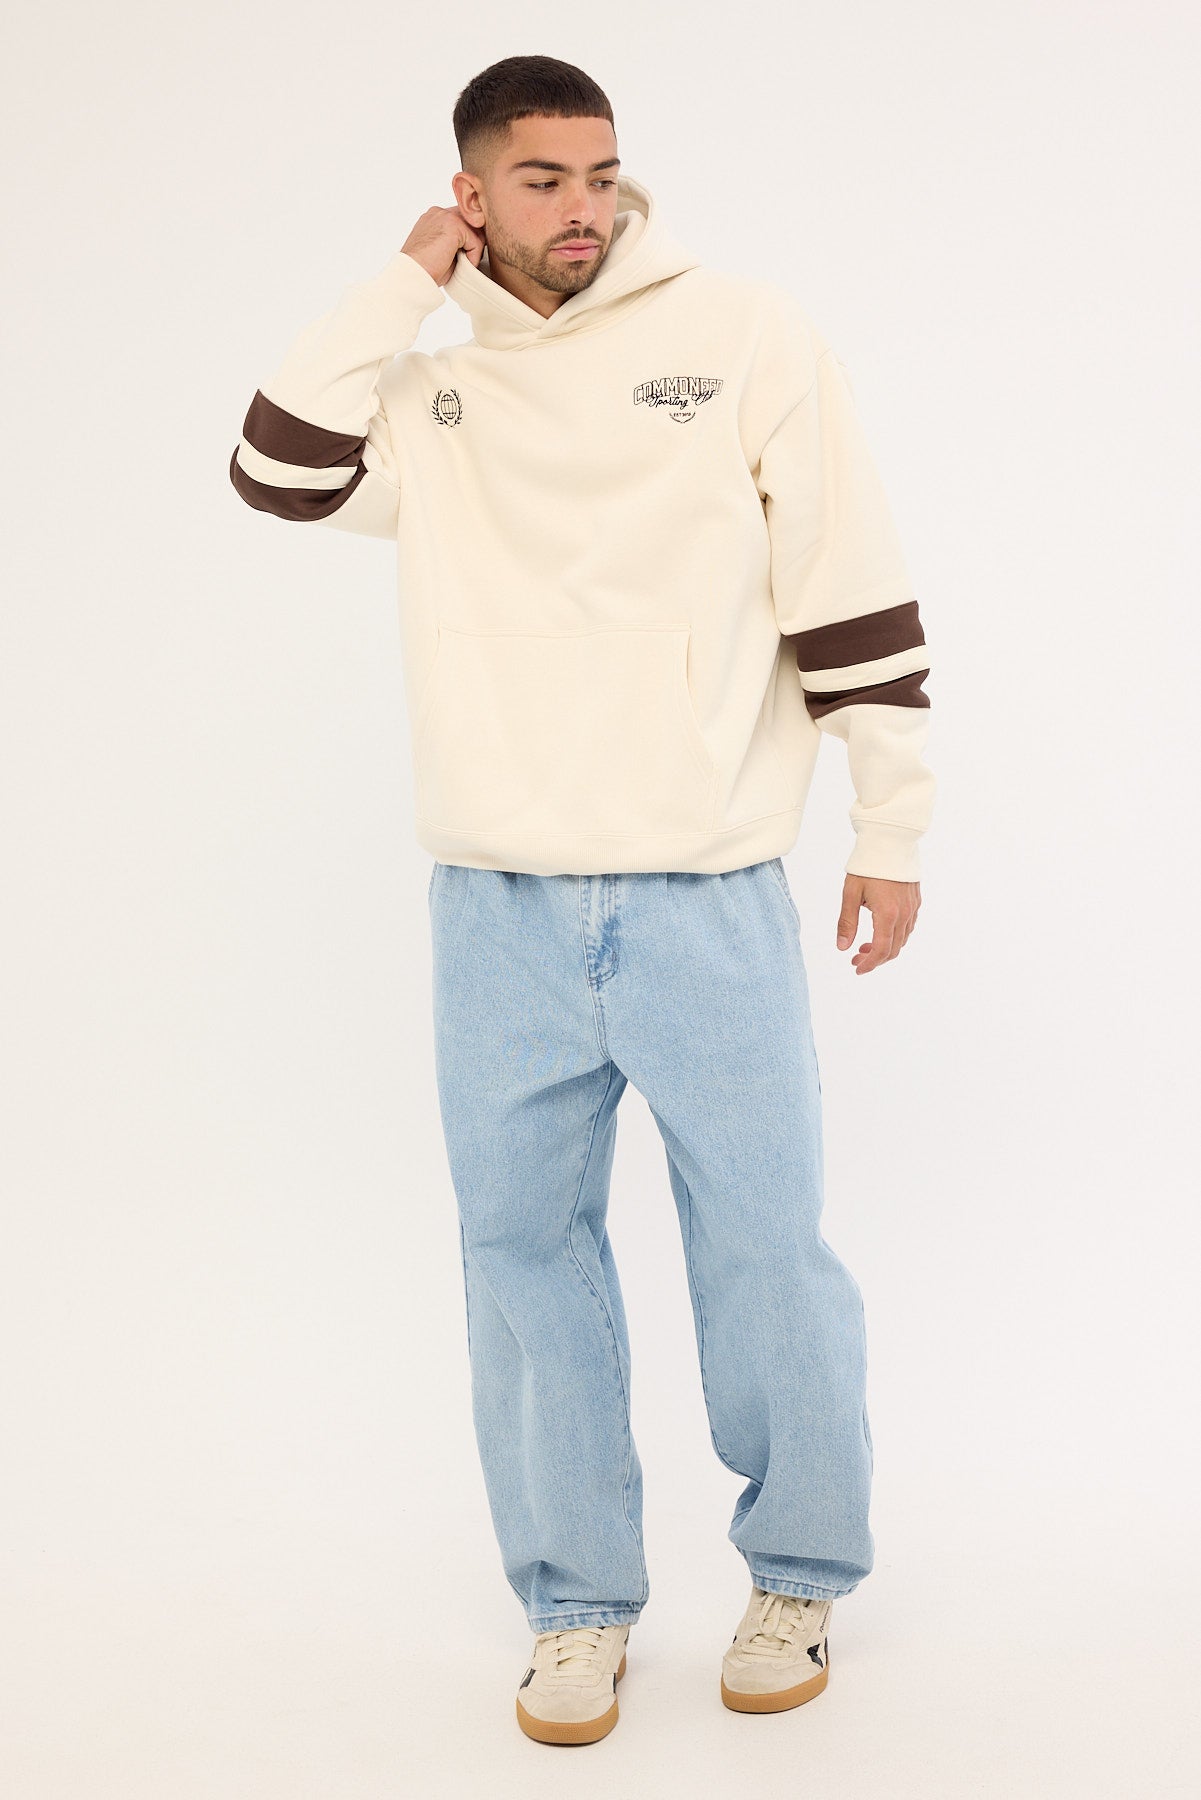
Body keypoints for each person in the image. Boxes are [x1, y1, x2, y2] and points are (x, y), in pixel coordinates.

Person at [229, 53, 935, 1747]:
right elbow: (274, 466)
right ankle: (575, 1607)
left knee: (764, 1248)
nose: (580, 208)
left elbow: (846, 585)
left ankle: (799, 1572)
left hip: (704, 891)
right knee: (518, 1259)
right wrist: (405, 283)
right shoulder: (434, 395)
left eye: (598, 174)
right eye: (538, 179)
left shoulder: (744, 336)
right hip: (495, 908)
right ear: (471, 194)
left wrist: (890, 827)